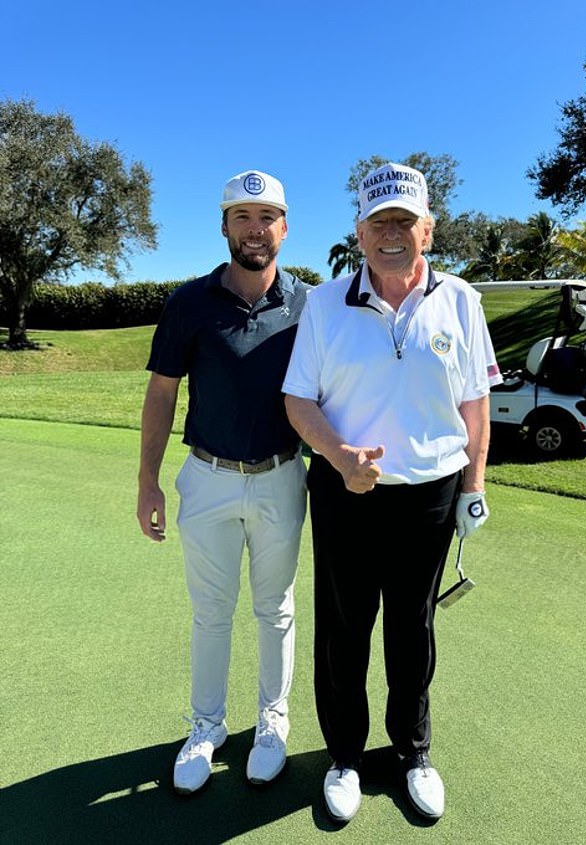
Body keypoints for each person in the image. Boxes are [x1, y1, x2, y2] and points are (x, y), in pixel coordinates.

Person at [282, 162, 502, 823]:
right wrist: (339, 455)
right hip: (345, 490)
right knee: (344, 630)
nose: (391, 235)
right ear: (359, 232)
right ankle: (345, 757)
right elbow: (297, 399)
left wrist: (474, 484)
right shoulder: (325, 304)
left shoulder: (460, 299)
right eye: (379, 223)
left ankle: (412, 752)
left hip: (430, 495)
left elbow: (476, 403)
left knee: (414, 628)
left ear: (426, 230)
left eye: (404, 222)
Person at [137, 169, 309, 794]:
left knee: (275, 609)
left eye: (266, 218)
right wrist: (148, 482)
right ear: (224, 226)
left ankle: (272, 722)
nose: (255, 229)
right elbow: (161, 394)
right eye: (242, 217)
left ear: (284, 229)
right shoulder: (187, 303)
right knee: (212, 613)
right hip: (207, 477)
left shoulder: (307, 304)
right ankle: (207, 726)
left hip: (282, 478)